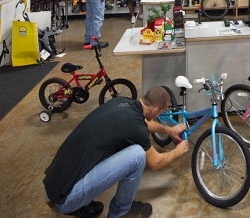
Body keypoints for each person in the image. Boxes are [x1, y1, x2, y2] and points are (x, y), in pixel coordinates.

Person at [43, 87, 189, 218]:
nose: (159, 116)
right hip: (64, 199)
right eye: (161, 112)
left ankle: (80, 201)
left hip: (52, 184)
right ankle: (121, 213)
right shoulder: (136, 127)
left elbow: (144, 123)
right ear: (155, 110)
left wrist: (169, 130)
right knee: (137, 155)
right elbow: (156, 163)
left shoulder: (123, 103)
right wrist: (177, 151)